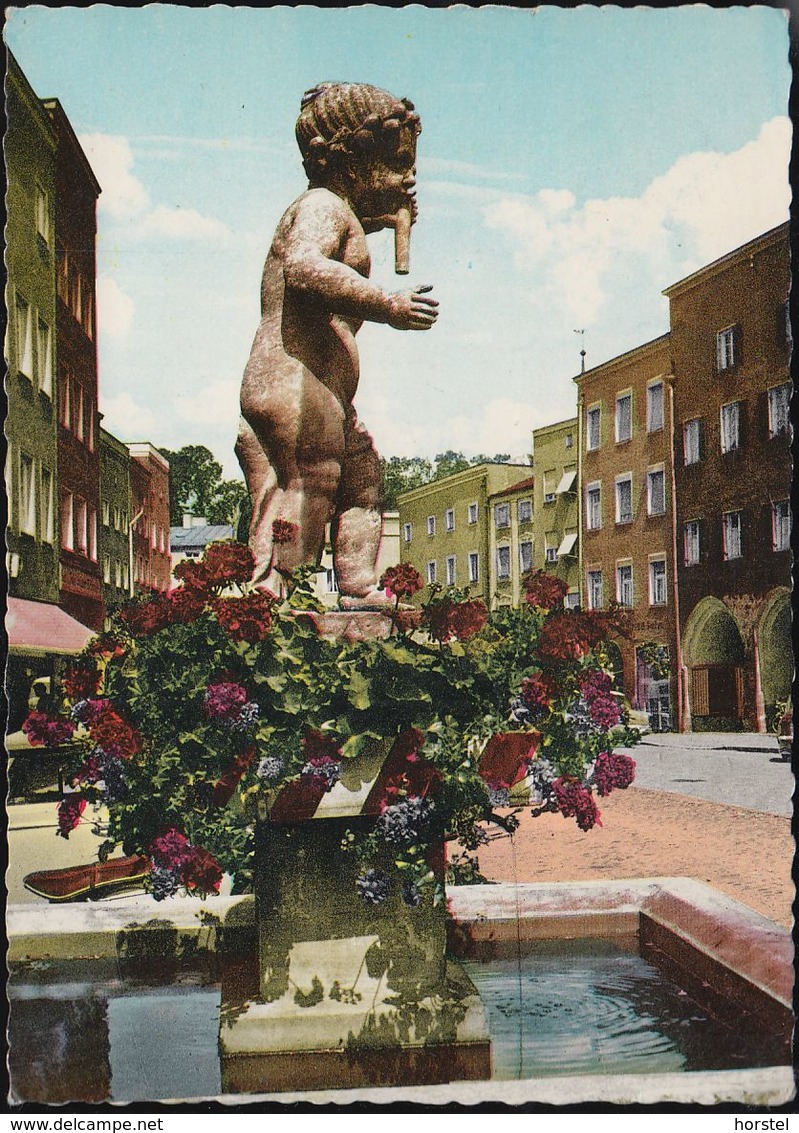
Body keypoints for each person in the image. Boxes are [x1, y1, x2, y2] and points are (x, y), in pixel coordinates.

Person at [236, 82, 438, 603]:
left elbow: (341, 245)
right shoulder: (322, 207)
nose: (406, 177)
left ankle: (356, 583)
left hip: (319, 388)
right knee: (312, 485)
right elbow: (305, 267)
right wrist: (387, 303)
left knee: (361, 478)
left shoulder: (338, 212)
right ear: (351, 160)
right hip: (295, 380)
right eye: (395, 163)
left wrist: (377, 221)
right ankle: (280, 601)